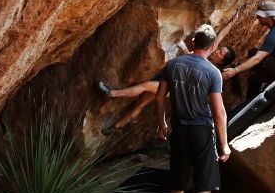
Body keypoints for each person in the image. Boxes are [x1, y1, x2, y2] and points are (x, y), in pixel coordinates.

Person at [155, 24, 230, 193]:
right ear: (212, 46)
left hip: (179, 130)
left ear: (194, 41)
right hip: (201, 132)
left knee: (178, 184)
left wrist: (162, 124)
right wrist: (224, 145)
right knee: (203, 187)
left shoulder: (174, 65)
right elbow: (219, 112)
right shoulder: (212, 72)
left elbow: (159, 97)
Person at [96, 13, 238, 135]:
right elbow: (220, 36)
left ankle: (112, 93)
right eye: (220, 49)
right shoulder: (210, 50)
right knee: (140, 104)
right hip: (169, 79)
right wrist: (233, 21)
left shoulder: (211, 69)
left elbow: (194, 61)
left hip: (174, 87)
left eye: (221, 53)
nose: (218, 51)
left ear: (222, 61)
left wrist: (183, 48)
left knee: (146, 85)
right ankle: (116, 127)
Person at [221, 0, 275, 101]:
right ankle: (251, 101)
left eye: (260, 15)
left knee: (255, 55)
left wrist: (235, 70)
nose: (257, 17)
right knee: (254, 75)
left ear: (268, 16)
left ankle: (266, 86)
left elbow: (257, 59)